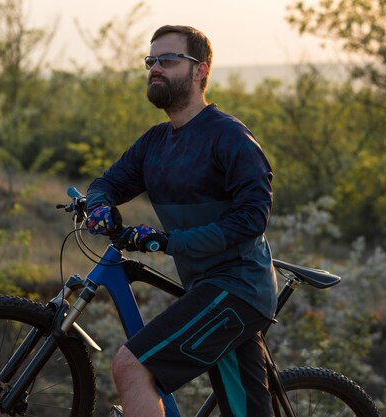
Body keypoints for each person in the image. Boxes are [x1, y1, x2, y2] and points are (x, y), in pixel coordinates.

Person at [85, 25, 277, 417]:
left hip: (238, 287)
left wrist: (169, 241)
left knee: (132, 365)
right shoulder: (156, 142)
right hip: (206, 287)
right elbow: (108, 182)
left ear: (200, 71)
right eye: (151, 60)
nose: (156, 68)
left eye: (168, 60)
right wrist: (99, 205)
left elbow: (253, 218)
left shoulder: (229, 137)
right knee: (245, 410)